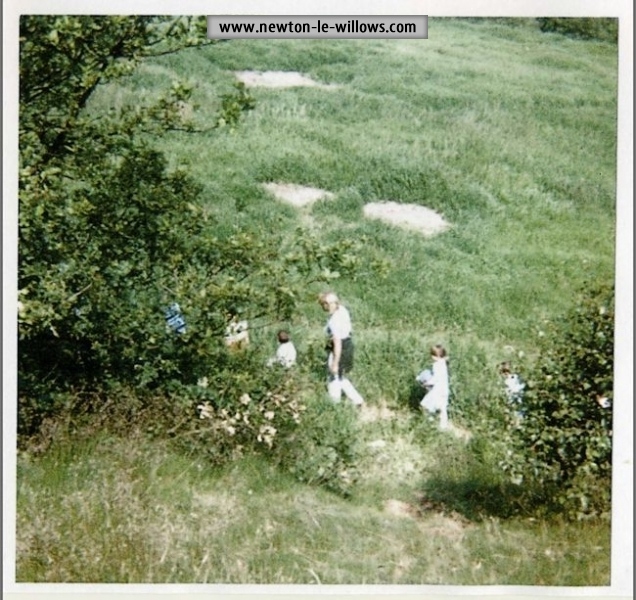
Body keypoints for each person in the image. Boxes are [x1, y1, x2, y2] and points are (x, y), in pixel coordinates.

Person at [318, 291, 364, 407]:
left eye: (323, 305)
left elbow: (337, 342)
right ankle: (357, 401)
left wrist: (335, 362)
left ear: (327, 304)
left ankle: (334, 402)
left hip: (339, 348)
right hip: (348, 345)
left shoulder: (334, 321)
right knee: (341, 376)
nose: (323, 308)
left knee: (334, 376)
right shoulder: (342, 310)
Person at [420, 344, 450, 429]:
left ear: (436, 356)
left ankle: (430, 422)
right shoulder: (444, 363)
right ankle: (443, 427)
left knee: (425, 405)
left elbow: (435, 378)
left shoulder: (436, 365)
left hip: (437, 391)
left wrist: (427, 383)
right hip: (444, 390)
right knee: (442, 409)